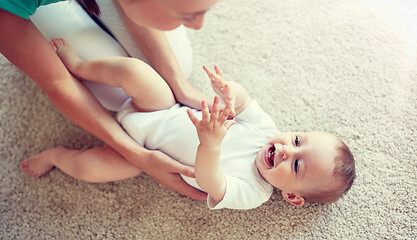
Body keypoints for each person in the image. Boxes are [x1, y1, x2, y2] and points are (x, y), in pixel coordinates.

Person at [21, 39, 356, 210]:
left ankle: (57, 156)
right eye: (297, 140)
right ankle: (79, 65)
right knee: (136, 72)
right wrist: (229, 93)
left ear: (291, 196)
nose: (285, 150)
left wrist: (210, 144)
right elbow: (243, 102)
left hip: (142, 155)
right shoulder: (265, 130)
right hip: (161, 110)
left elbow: (212, 182)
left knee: (93, 168)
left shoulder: (255, 192)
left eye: (297, 164)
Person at [0, 0, 220, 200]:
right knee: (115, 95)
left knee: (177, 67)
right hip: (21, 8)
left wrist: (181, 87)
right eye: (188, 17)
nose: (199, 26)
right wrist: (138, 157)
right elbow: (57, 82)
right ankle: (56, 156)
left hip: (159, 111)